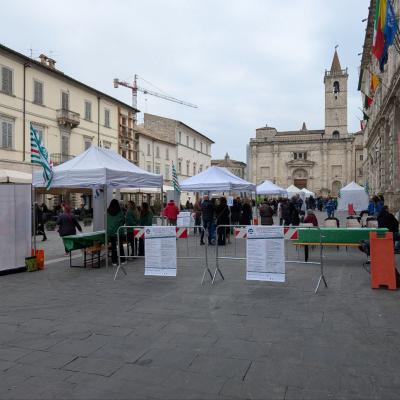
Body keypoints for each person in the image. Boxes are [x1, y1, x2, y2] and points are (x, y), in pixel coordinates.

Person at [107, 199, 126, 266]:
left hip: (111, 231)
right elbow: (123, 220)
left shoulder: (108, 211)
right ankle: (122, 260)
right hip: (119, 231)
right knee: (120, 246)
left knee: (113, 247)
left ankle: (114, 261)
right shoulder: (120, 211)